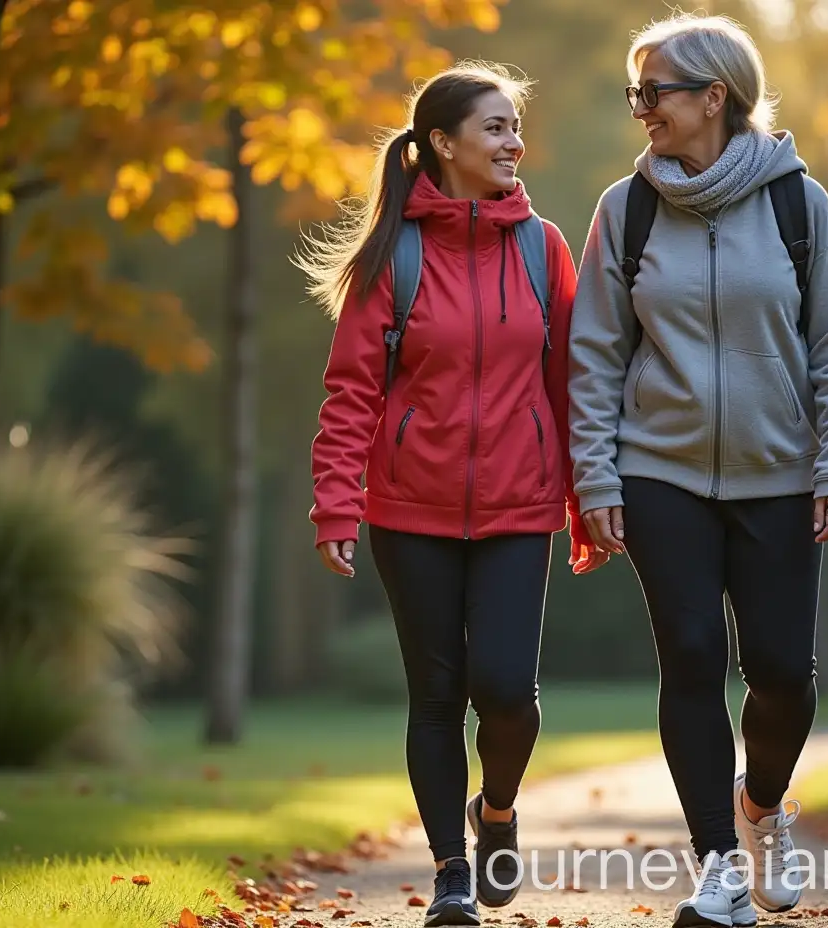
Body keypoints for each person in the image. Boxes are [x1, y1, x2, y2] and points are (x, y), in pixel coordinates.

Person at [567, 13, 828, 928]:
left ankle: (763, 806)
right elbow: (595, 354)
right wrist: (597, 476)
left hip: (780, 472)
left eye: (654, 92)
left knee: (782, 671)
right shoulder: (626, 209)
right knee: (691, 658)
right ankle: (716, 867)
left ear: (714, 97)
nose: (641, 109)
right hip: (659, 472)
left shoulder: (796, 203)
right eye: (636, 93)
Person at [299, 62, 598, 927]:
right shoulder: (396, 254)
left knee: (506, 689)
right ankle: (450, 875)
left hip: (518, 506)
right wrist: (336, 502)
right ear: (444, 143)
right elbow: (351, 388)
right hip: (409, 511)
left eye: (515, 128)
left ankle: (495, 809)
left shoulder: (542, 248)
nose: (516, 143)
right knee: (435, 695)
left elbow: (570, 384)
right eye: (497, 127)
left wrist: (585, 501)